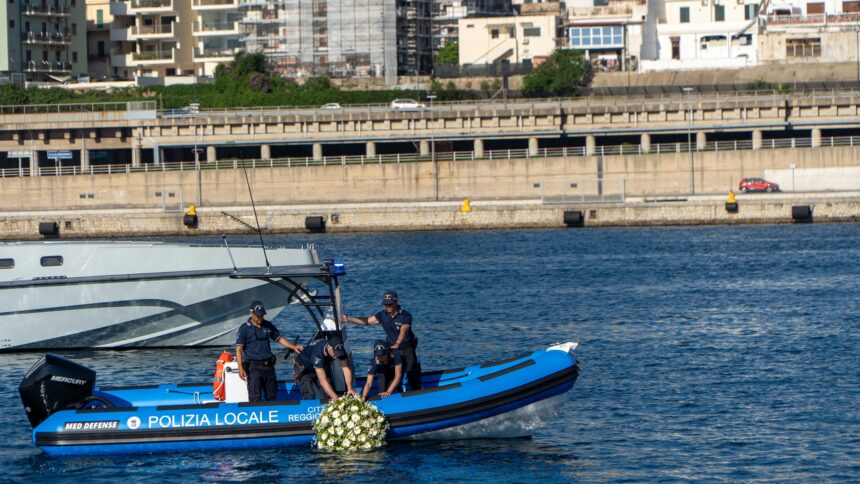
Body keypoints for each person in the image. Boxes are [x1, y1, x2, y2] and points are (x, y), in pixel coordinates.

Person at [344, 290, 422, 390]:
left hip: (407, 348)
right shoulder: (382, 315)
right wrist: (348, 319)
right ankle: (396, 392)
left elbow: (404, 330)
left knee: (412, 373)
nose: (387, 306)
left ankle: (417, 390)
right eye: (385, 304)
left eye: (390, 304)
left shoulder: (406, 316)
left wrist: (397, 343)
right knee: (392, 376)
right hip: (392, 349)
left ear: (396, 302)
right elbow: (367, 321)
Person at [235, 300, 303, 403]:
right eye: (258, 316)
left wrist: (293, 347)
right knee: (255, 396)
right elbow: (239, 349)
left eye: (262, 315)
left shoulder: (267, 325)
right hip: (253, 367)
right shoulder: (244, 328)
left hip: (268, 366)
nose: (260, 318)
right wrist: (240, 368)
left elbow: (279, 338)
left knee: (271, 395)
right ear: (251, 313)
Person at [295, 335, 356, 401]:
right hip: (304, 367)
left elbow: (346, 368)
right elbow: (322, 381)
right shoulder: (317, 354)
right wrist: (336, 399)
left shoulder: (340, 350)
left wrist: (350, 388)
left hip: (322, 364)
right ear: (329, 347)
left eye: (338, 352)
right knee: (310, 394)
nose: (337, 355)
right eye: (335, 352)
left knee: (329, 393)